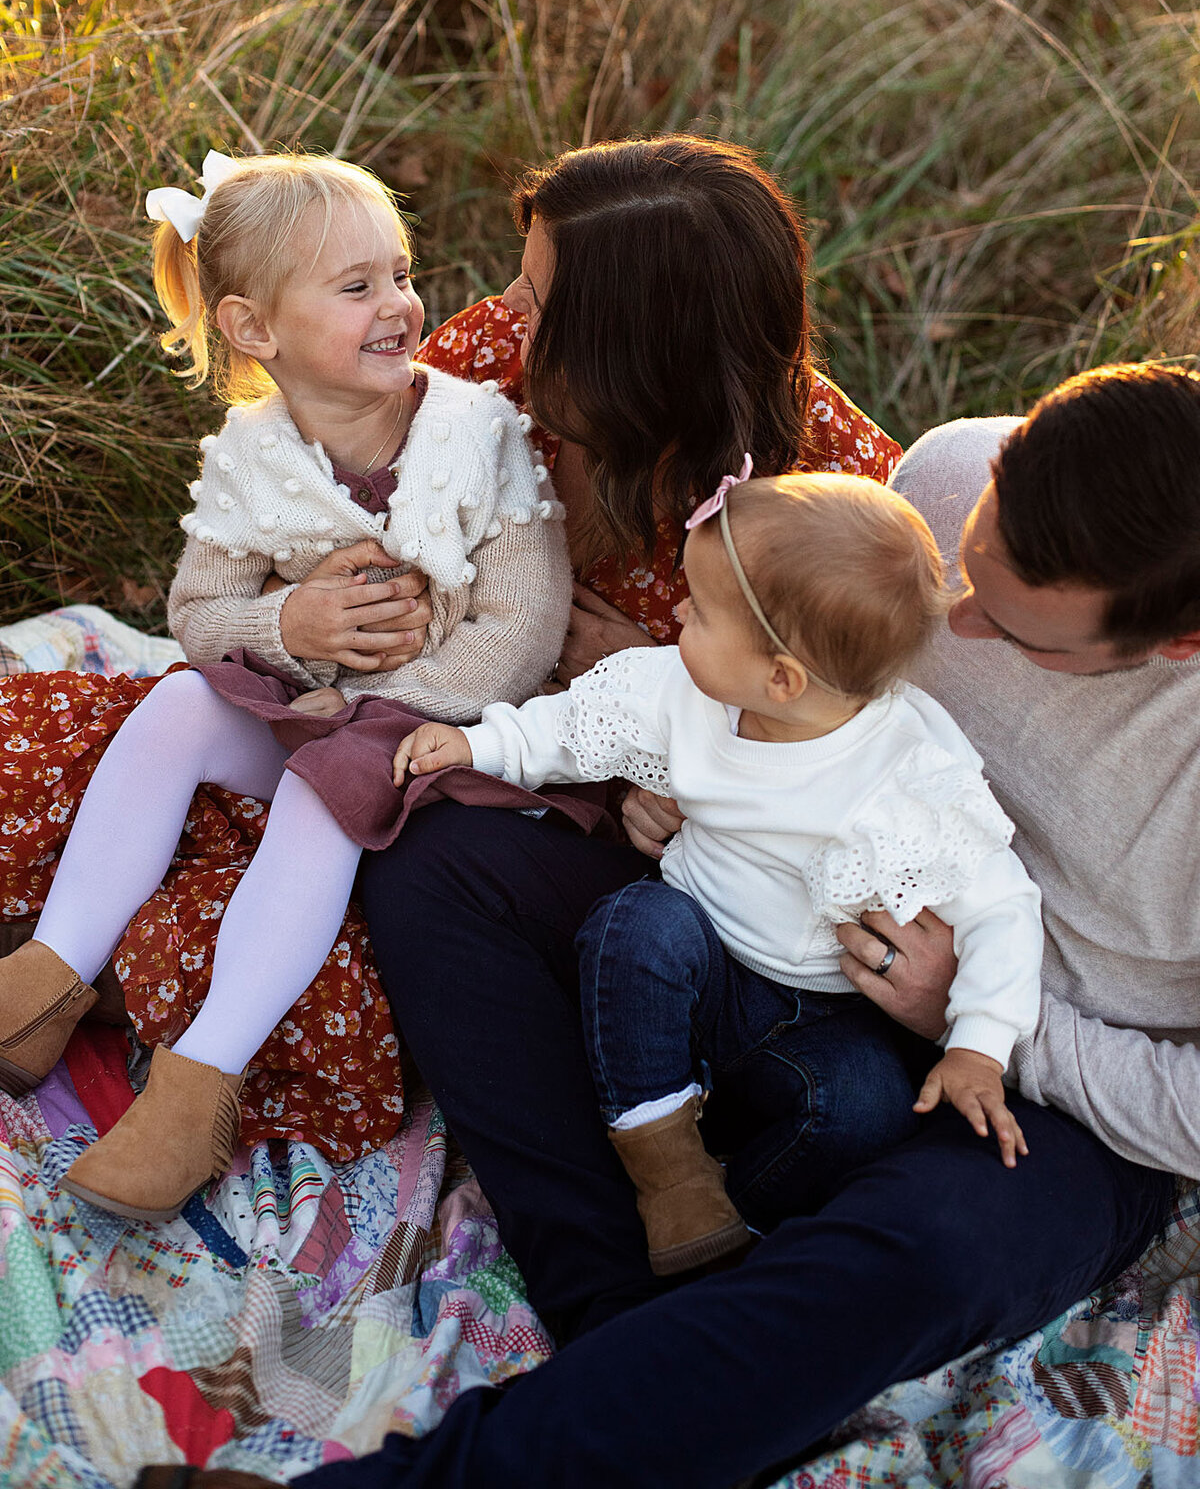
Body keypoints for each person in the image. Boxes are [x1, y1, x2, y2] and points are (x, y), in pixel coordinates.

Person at [184, 358, 1187, 1489]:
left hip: (1044, 1082)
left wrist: (981, 1020)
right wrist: (702, 771)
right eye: (972, 562)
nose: (958, 617)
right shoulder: (951, 472)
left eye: (1012, 630)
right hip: (769, 929)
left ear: (1178, 646)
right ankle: (636, 1320)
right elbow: (811, 688)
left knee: (927, 1255)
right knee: (441, 856)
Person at [0, 134, 899, 1161]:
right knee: (85, 757)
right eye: (519, 278)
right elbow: (337, 524)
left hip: (527, 799)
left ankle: (183, 1061)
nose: (504, 311)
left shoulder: (833, 505)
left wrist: (638, 704)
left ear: (637, 351)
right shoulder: (487, 369)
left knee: (312, 908)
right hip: (349, 704)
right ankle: (48, 981)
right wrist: (300, 613)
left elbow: (850, 750)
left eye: (540, 299)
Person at [0, 147, 573, 1222]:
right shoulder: (254, 454)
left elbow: (524, 632)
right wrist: (289, 624)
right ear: (255, 330)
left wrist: (377, 711)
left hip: (448, 748)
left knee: (329, 775)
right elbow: (197, 616)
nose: (400, 305)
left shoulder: (479, 435)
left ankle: (199, 1083)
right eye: (356, 289)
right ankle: (45, 978)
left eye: (399, 274)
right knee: (177, 699)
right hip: (314, 717)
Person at [398, 468, 1042, 1272]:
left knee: (866, 1109)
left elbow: (1003, 907)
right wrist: (479, 746)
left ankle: (730, 1220)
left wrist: (978, 1043)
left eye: (699, 612)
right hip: (698, 966)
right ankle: (665, 1168)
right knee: (635, 928)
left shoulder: (908, 769)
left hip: (826, 1012)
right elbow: (574, 723)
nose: (673, 617)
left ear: (782, 676)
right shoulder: (685, 689)